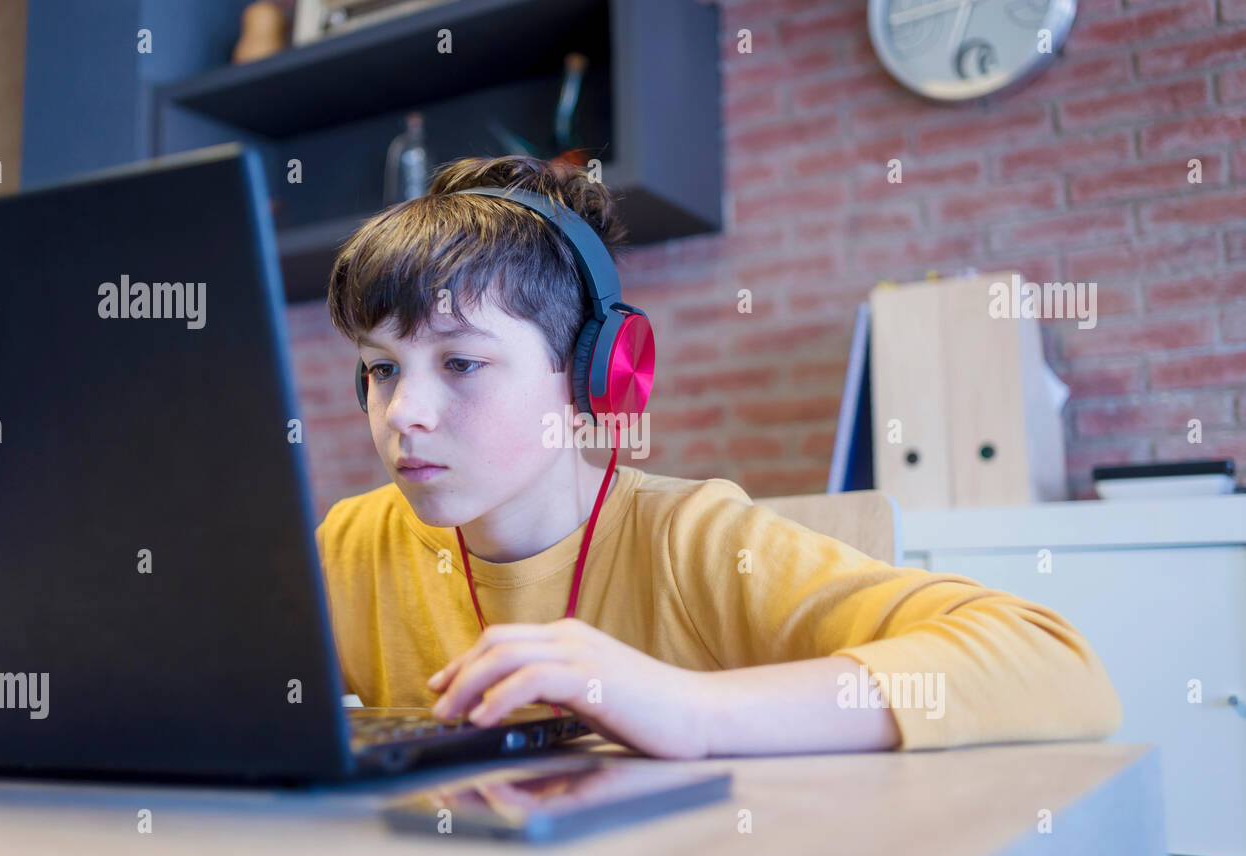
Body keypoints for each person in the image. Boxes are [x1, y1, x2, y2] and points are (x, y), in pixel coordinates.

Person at [314, 155, 1122, 760]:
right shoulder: (353, 546)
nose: (403, 413)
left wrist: (690, 707)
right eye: (383, 368)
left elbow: (1050, 659)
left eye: (460, 363)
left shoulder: (694, 542)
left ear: (599, 376)